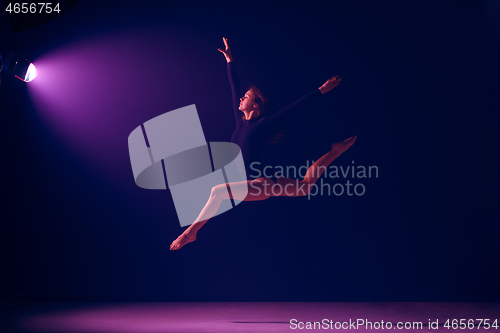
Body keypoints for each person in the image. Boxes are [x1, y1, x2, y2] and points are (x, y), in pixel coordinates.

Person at [170, 37, 356, 250]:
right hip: (258, 185)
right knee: (305, 187)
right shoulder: (240, 124)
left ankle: (189, 233)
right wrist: (230, 61)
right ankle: (335, 152)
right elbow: (234, 87)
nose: (241, 98)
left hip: (260, 183)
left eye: (247, 96)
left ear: (256, 104)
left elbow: (293, 108)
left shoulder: (263, 124)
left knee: (217, 191)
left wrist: (322, 90)